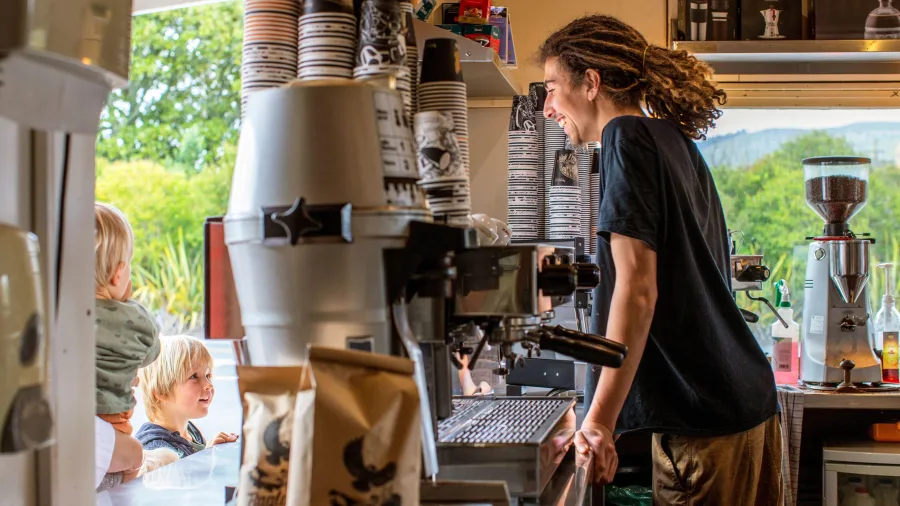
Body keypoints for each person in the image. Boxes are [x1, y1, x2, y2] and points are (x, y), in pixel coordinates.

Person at [538, 15, 783, 505]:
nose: (547, 109)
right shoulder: (674, 141)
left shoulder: (625, 136)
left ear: (591, 83)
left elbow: (638, 289)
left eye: (550, 88)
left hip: (702, 422)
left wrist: (599, 422)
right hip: (745, 406)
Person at [94, 202, 162, 482]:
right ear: (118, 274)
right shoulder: (134, 319)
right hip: (112, 424)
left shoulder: (57, 313)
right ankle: (123, 485)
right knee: (135, 456)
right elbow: (152, 353)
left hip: (72, 418)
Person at [136, 335, 238, 458]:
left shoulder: (190, 431)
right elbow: (181, 471)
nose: (209, 385)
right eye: (194, 376)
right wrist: (206, 457)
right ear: (162, 391)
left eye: (208, 375)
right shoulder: (156, 449)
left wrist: (210, 451)